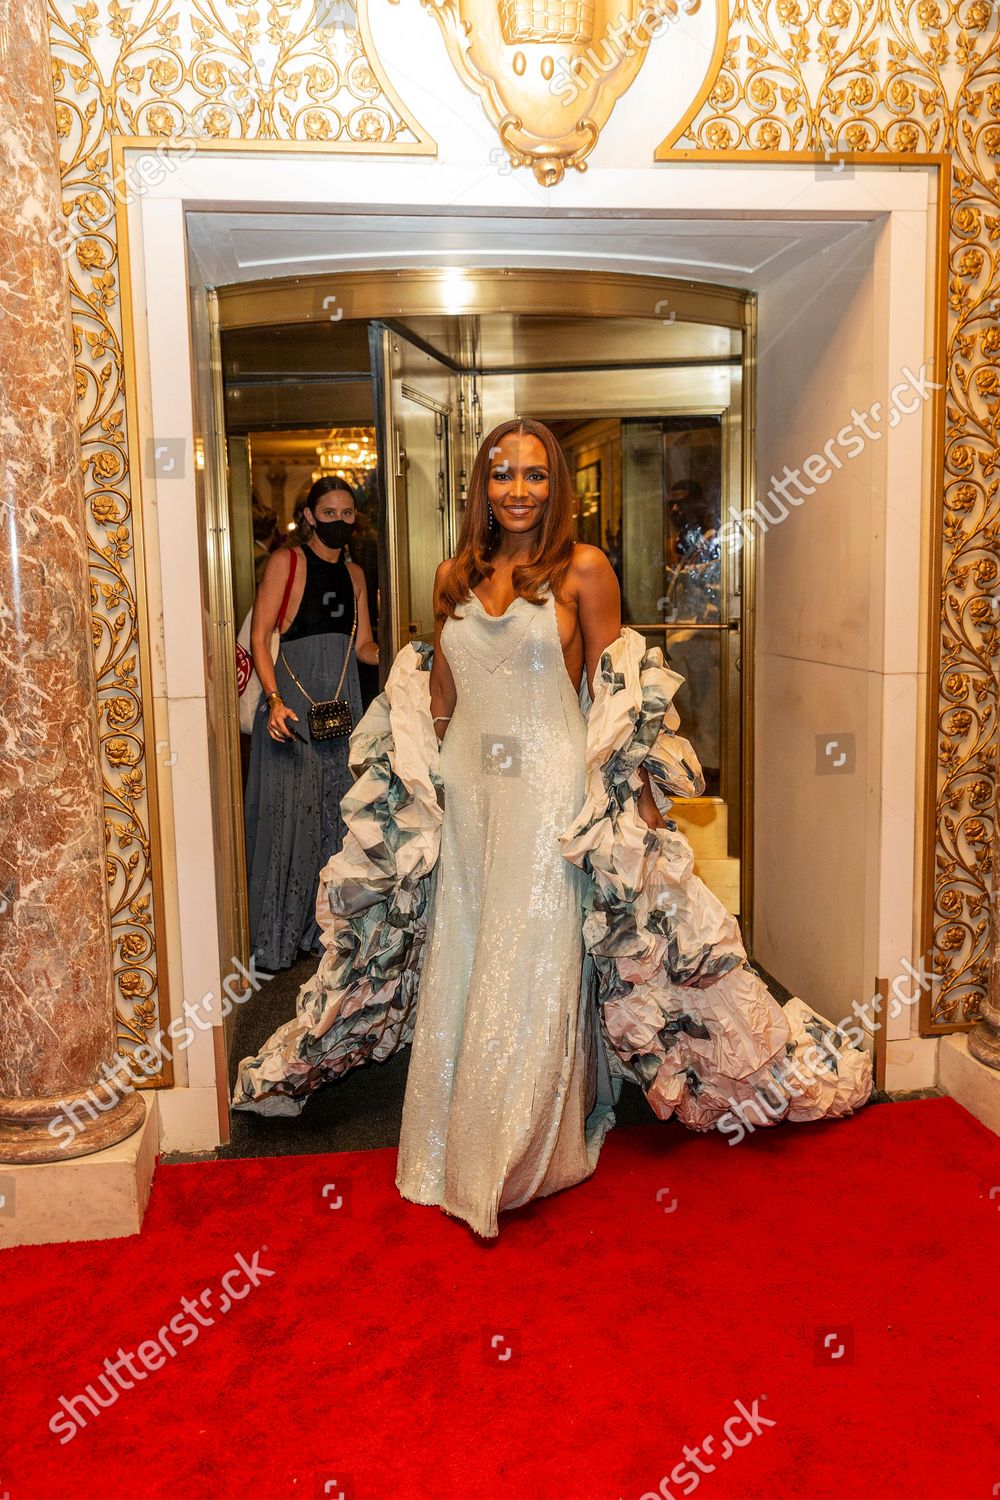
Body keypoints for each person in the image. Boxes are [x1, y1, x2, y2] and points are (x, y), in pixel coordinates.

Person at [232, 420, 872, 1239]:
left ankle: (515, 1147)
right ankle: (446, 1136)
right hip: (467, 797)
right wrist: (407, 784)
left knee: (534, 962)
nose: (520, 491)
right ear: (482, 486)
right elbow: (445, 699)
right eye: (504, 476)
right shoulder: (451, 575)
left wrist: (633, 800)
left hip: (547, 796)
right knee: (464, 960)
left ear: (556, 484)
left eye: (536, 476)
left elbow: (620, 692)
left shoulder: (584, 570)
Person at [243, 476, 379, 972]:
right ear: (309, 516)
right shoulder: (288, 562)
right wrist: (274, 700)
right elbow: (260, 637)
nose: (339, 522)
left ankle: (326, 935)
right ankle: (278, 941)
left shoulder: (358, 574)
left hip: (342, 704)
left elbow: (362, 644)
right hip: (293, 708)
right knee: (289, 822)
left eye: (348, 514)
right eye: (330, 513)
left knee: (337, 818)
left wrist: (410, 652)